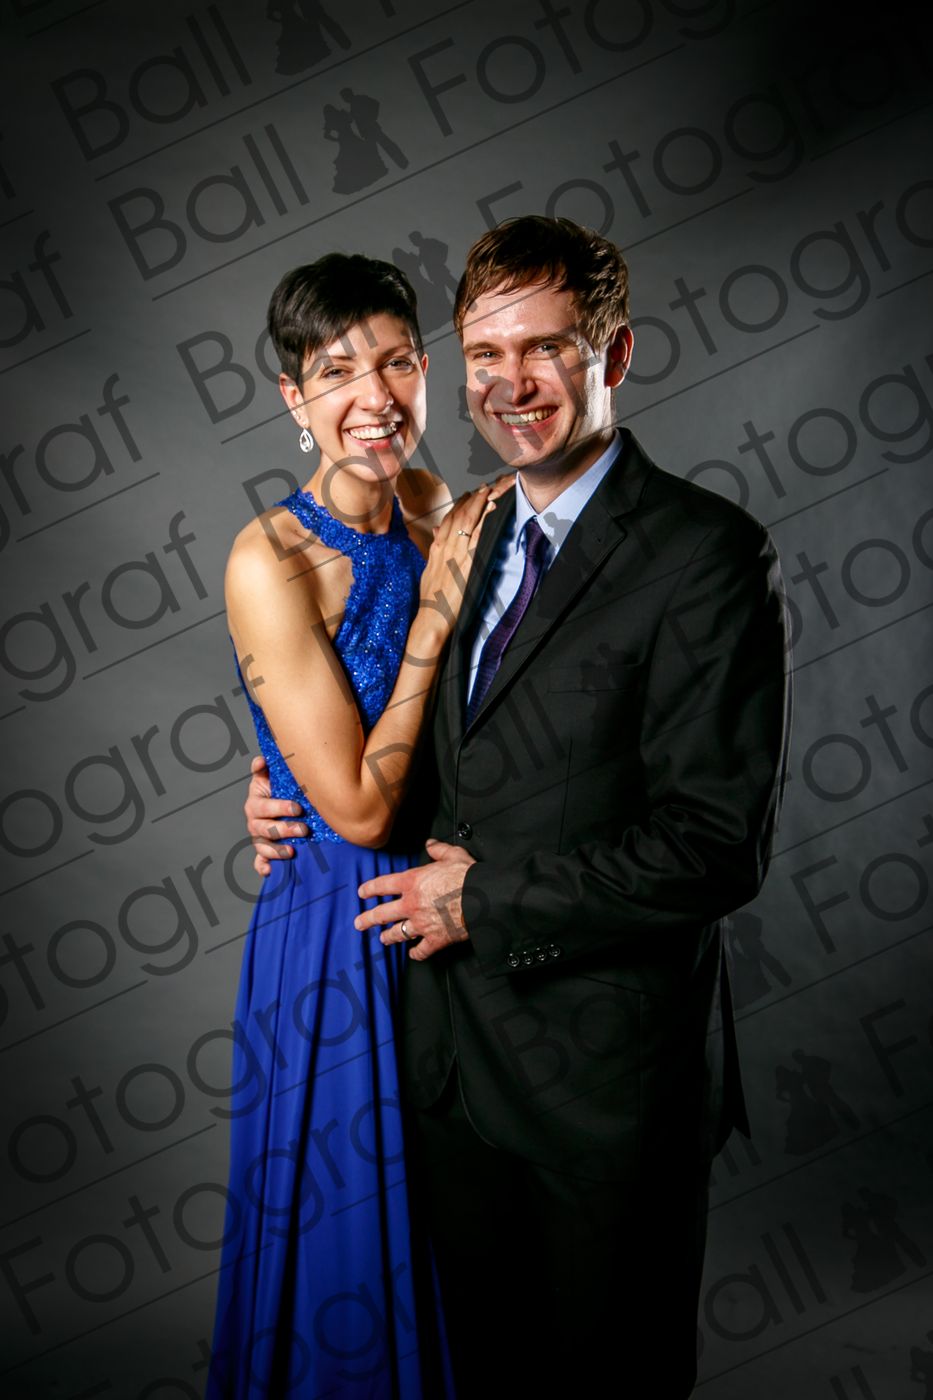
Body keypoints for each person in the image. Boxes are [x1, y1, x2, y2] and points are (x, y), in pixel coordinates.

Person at [244, 217, 792, 1397]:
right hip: (443, 1065)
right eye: (486, 353)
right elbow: (411, 738)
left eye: (545, 348)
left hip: (604, 1088)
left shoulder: (707, 554)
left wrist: (482, 899)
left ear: (615, 353)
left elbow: (714, 844)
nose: (512, 383)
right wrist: (281, 781)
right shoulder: (463, 524)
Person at [207, 252, 502, 1397]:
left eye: (394, 362)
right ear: (294, 396)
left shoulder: (436, 504)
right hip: (339, 922)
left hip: (447, 908)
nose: (373, 396)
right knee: (353, 1231)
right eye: (336, 371)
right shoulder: (270, 558)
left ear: (424, 369)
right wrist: (433, 613)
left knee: (454, 1227)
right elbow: (363, 806)